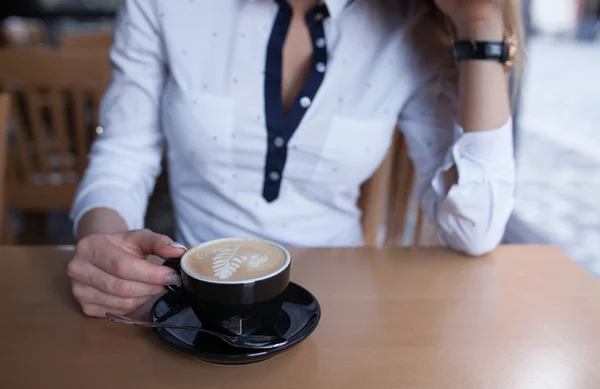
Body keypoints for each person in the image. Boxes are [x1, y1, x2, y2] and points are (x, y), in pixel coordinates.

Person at [67, 0, 523, 317]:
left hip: (345, 313)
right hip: (196, 309)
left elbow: (474, 227)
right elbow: (123, 153)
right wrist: (106, 253)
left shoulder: (411, 26)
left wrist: (480, 21)